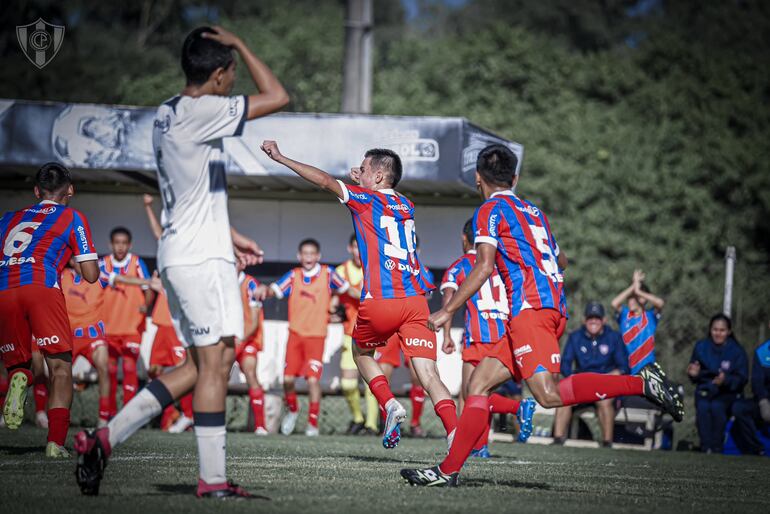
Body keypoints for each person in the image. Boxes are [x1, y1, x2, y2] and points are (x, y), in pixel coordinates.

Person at [75, 25, 288, 498]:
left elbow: (189, 192)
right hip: (199, 257)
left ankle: (105, 438)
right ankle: (212, 480)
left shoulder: (167, 112)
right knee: (216, 365)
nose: (234, 81)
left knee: (204, 362)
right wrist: (243, 43)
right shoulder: (205, 110)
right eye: (230, 73)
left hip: (188, 248)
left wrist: (230, 236)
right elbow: (278, 95)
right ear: (217, 75)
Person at [400, 144, 684, 487]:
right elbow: (561, 261)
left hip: (530, 309)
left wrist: (447, 310)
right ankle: (447, 471)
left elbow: (484, 265)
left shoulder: (489, 211)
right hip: (546, 305)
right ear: (515, 178)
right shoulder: (534, 212)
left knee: (547, 394)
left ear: (478, 178)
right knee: (478, 385)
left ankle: (641, 383)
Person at [260, 141, 459, 450]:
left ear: (379, 176)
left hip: (382, 299)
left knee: (360, 352)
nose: (359, 172)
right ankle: (454, 434)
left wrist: (282, 157)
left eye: (364, 169)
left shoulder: (364, 199)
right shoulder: (407, 205)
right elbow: (378, 195)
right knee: (429, 374)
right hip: (417, 301)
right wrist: (362, 179)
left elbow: (325, 181)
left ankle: (389, 404)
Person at [0, 162, 100, 457]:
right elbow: (91, 274)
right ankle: (55, 443)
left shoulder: (8, 218)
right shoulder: (71, 216)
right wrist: (76, 261)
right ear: (70, 189)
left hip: (4, 288)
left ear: (36, 191)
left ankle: (21, 376)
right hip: (41, 287)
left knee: (19, 363)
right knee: (59, 369)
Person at [440, 218, 536, 458]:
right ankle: (480, 446)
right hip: (505, 336)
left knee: (470, 394)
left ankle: (515, 410)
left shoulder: (462, 265)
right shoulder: (501, 263)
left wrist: (447, 334)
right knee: (481, 392)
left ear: (465, 239)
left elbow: (449, 298)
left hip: (479, 337)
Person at [260, 238, 355, 436]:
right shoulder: (293, 276)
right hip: (295, 336)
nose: (309, 257)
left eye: (312, 254)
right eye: (305, 254)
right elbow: (273, 290)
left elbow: (348, 289)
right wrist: (263, 290)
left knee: (312, 380)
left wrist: (368, 297)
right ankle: (293, 410)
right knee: (287, 380)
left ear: (318, 256)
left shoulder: (328, 274)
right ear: (299, 256)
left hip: (317, 337)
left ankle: (313, 422)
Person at [62, 257, 154, 428]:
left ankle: (104, 417)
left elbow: (121, 279)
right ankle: (50, 416)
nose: (84, 264)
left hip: (94, 335)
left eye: (87, 260)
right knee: (57, 375)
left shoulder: (99, 275)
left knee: (106, 368)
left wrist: (148, 281)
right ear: (72, 262)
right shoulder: (61, 277)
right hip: (69, 335)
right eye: (79, 260)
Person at [142, 195, 194, 434]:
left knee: (181, 371)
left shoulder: (191, 254)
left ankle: (188, 415)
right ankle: (167, 416)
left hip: (176, 325)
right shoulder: (168, 253)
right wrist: (148, 207)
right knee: (154, 370)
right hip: (161, 323)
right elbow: (157, 234)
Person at [552, 301, 628, 447]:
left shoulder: (614, 338)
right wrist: (574, 378)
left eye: (597, 318)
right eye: (590, 317)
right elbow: (565, 364)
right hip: (582, 384)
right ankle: (558, 439)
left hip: (604, 386)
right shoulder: (575, 337)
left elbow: (624, 367)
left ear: (604, 320)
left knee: (605, 402)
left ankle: (607, 442)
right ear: (584, 319)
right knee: (562, 397)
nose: (593, 321)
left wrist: (607, 378)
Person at [99, 226, 153, 412]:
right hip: (108, 327)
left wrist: (146, 305)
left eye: (124, 243)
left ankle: (128, 413)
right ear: (110, 244)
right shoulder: (103, 264)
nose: (120, 247)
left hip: (132, 326)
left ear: (130, 245)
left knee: (130, 367)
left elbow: (149, 288)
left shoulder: (137, 262)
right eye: (117, 243)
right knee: (110, 371)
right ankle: (110, 413)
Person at [687, 314, 750, 454]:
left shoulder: (737, 351)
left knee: (717, 407)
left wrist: (726, 380)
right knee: (703, 407)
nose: (718, 333)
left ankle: (716, 447)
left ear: (728, 331)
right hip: (705, 390)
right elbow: (694, 373)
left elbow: (742, 378)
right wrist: (693, 374)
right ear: (710, 330)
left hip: (726, 393)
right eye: (715, 330)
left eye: (722, 330)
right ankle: (705, 447)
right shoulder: (701, 347)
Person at [333, 234, 370, 434]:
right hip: (350, 333)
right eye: (356, 247)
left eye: (362, 247)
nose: (359, 251)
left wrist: (349, 289)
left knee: (372, 382)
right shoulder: (340, 271)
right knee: (347, 383)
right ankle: (358, 418)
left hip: (374, 332)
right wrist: (333, 312)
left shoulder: (374, 268)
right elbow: (334, 300)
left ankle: (372, 425)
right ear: (350, 248)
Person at [611, 270, 665, 375]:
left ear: (643, 300)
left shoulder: (650, 316)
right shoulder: (624, 315)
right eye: (630, 298)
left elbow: (660, 303)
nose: (630, 300)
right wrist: (634, 284)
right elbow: (614, 303)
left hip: (648, 371)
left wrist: (638, 291)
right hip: (627, 369)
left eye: (634, 298)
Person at [235, 266, 267, 435]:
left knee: (250, 373)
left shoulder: (250, 284)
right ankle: (194, 418)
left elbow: (253, 322)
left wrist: (239, 340)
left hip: (248, 338)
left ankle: (260, 426)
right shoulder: (220, 279)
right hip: (227, 337)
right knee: (215, 375)